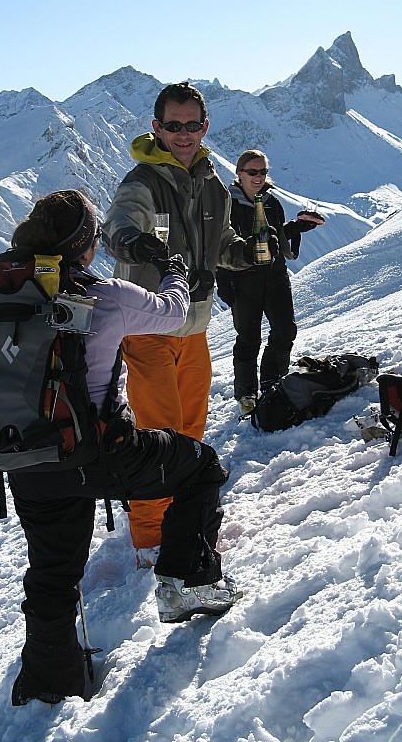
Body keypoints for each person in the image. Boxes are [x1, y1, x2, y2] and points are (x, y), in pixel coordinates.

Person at [2, 190, 241, 706]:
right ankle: (186, 584)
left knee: (52, 569)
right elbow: (174, 313)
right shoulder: (107, 296)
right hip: (98, 453)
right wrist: (175, 270)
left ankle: (48, 680)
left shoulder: (5, 291)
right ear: (86, 247)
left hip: (24, 456)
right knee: (199, 467)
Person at [102, 83, 275, 566]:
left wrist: (247, 253)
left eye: (191, 125)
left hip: (194, 328)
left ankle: (187, 517)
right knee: (158, 433)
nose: (183, 134)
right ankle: (151, 539)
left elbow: (221, 244)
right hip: (148, 327)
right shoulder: (142, 182)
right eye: (173, 125)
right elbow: (117, 226)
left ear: (204, 127)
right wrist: (137, 246)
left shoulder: (213, 184)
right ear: (156, 128)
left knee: (191, 430)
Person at [215, 150, 325, 415]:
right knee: (248, 339)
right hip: (244, 282)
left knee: (285, 331)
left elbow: (276, 240)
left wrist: (295, 229)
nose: (258, 177)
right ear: (239, 174)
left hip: (275, 277)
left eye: (262, 172)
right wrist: (225, 283)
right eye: (252, 172)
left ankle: (273, 384)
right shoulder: (227, 206)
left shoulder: (272, 203)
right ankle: (246, 396)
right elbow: (219, 247)